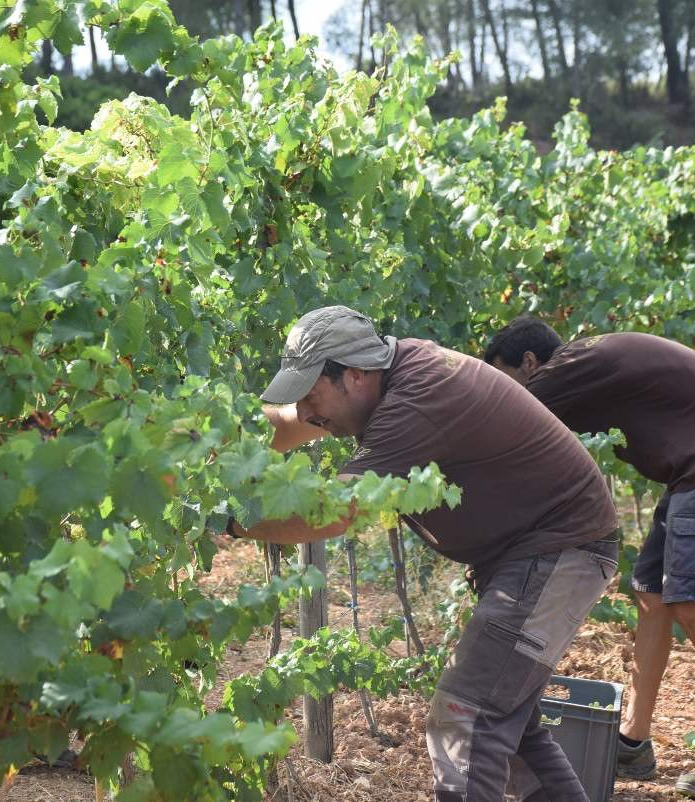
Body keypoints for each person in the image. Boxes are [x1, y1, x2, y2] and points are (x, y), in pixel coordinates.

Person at [238, 305, 621, 802]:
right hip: (540, 552)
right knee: (511, 730)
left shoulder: (413, 400)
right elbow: (291, 422)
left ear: (354, 375)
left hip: (558, 550)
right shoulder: (389, 373)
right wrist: (223, 438)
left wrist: (233, 518)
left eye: (312, 394)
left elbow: (332, 512)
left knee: (464, 718)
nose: (309, 413)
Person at [484, 317, 695, 800]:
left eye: (503, 376)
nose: (507, 389)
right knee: (652, 595)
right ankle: (633, 743)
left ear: (529, 363)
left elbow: (498, 426)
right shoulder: (585, 365)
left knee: (691, 607)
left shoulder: (561, 371)